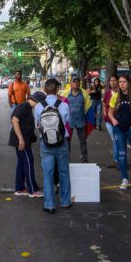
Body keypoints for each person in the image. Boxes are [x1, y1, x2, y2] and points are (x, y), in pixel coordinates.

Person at [34, 78, 72, 213]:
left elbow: (37, 125)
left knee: (48, 174)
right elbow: (67, 122)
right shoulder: (64, 105)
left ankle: (49, 205)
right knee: (63, 172)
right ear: (57, 89)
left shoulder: (38, 107)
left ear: (45, 90)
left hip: (46, 145)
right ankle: (66, 201)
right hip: (62, 143)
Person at [11, 91, 44, 198]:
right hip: (21, 140)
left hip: (24, 139)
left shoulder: (28, 108)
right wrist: (21, 139)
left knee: (22, 162)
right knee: (29, 162)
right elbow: (14, 120)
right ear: (37, 101)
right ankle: (32, 190)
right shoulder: (24, 106)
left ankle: (19, 188)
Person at [60, 77, 89, 163]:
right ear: (71, 83)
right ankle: (66, 158)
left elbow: (88, 106)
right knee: (67, 141)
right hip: (69, 121)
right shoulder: (65, 93)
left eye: (77, 82)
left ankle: (84, 158)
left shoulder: (84, 93)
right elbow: (61, 104)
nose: (76, 84)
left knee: (83, 140)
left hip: (81, 120)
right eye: (74, 82)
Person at [103, 75, 120, 168]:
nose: (112, 82)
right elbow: (104, 104)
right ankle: (116, 160)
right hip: (109, 121)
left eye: (114, 80)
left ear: (117, 81)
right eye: (111, 80)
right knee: (114, 139)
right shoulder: (107, 92)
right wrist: (105, 113)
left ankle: (118, 160)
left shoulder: (121, 93)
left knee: (119, 140)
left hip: (119, 121)